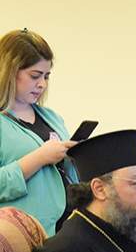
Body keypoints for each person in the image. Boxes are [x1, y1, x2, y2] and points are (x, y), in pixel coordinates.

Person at [0, 29, 78, 235]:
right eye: (35, 76)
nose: (42, 84)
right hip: (24, 238)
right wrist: (40, 157)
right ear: (9, 72)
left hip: (66, 232)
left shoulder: (52, 117)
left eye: (46, 76)